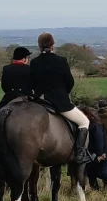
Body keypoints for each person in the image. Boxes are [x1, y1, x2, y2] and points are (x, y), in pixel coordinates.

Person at [29, 33, 91, 164]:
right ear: (52, 45)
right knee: (84, 122)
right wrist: (63, 93)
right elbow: (70, 82)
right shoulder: (61, 61)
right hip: (59, 103)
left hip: (39, 101)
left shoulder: (34, 62)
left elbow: (32, 83)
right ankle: (79, 154)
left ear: (39, 46)